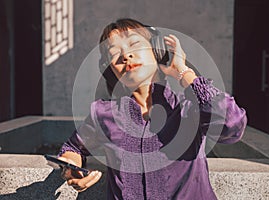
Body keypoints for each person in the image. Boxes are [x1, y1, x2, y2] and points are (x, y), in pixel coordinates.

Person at [57, 18, 247, 199]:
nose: (126, 55)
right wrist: (72, 167)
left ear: (156, 52)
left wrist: (185, 73)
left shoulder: (190, 108)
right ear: (112, 70)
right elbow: (73, 148)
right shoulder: (103, 114)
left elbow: (232, 126)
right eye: (114, 53)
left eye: (135, 45)